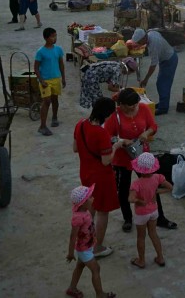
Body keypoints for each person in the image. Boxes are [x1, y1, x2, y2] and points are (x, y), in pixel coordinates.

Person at [104, 88, 176, 233]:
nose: (134, 108)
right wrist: (122, 141)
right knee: (123, 190)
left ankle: (160, 217)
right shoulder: (114, 115)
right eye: (131, 106)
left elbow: (153, 126)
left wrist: (147, 132)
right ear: (122, 105)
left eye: (135, 105)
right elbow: (107, 136)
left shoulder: (142, 108)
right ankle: (128, 219)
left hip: (142, 157)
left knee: (152, 185)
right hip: (122, 159)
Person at [73, 97, 125, 258]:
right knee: (103, 212)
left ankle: (85, 239)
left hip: (86, 173)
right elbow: (106, 161)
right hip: (101, 177)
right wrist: (116, 146)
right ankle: (97, 247)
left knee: (90, 210)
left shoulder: (80, 124)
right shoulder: (101, 133)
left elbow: (75, 148)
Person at [66, 185, 117, 298]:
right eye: (90, 197)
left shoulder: (86, 211)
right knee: (96, 269)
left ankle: (72, 288)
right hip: (84, 249)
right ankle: (100, 294)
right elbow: (72, 236)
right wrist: (70, 253)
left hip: (87, 247)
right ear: (83, 202)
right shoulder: (78, 217)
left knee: (80, 266)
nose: (93, 198)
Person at [128, 152, 171, 269]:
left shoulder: (136, 183)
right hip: (154, 211)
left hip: (142, 213)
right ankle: (160, 257)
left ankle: (141, 260)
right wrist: (157, 192)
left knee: (141, 237)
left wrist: (139, 201)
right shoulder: (157, 178)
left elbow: (131, 199)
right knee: (153, 233)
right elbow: (170, 187)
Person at [132, 28, 178, 116]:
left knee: (163, 84)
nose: (139, 44)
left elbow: (153, 65)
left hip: (169, 60)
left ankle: (163, 108)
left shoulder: (154, 45)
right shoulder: (150, 33)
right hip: (166, 58)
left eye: (139, 42)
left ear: (144, 38)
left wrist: (146, 79)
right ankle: (162, 103)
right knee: (162, 82)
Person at [34, 27, 67, 136]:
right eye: (52, 36)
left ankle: (54, 117)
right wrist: (41, 80)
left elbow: (61, 64)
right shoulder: (40, 52)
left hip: (56, 78)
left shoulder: (58, 49)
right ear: (46, 38)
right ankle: (42, 126)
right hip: (45, 80)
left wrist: (63, 78)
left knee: (55, 99)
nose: (55, 38)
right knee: (46, 101)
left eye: (55, 36)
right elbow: (36, 68)